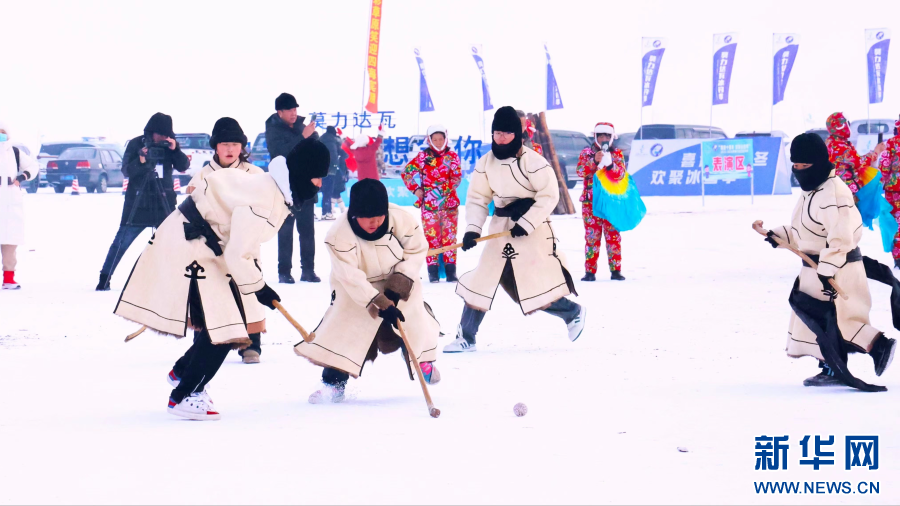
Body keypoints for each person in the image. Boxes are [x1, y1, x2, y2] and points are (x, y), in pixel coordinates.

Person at [114, 136, 329, 420]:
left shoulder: (271, 188)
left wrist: (255, 283)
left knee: (224, 321)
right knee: (227, 328)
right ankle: (185, 395)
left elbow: (239, 244)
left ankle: (181, 373)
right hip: (192, 247)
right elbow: (238, 254)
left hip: (200, 243)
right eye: (317, 177)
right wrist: (259, 288)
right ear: (302, 174)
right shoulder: (265, 203)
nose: (319, 185)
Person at [756, 133, 896, 390]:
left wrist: (828, 268)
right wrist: (779, 235)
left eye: (804, 167)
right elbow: (806, 231)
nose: (799, 172)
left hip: (836, 269)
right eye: (795, 167)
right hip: (816, 268)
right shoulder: (812, 191)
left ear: (818, 163)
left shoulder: (833, 194)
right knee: (823, 319)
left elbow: (843, 235)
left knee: (832, 320)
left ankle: (856, 356)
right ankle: (867, 351)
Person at [444, 106, 586, 353]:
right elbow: (477, 198)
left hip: (532, 229)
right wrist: (472, 230)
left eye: (506, 133)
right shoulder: (485, 163)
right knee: (482, 279)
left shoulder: (534, 162)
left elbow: (549, 196)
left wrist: (527, 221)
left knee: (532, 284)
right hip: (501, 227)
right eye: (497, 132)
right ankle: (467, 336)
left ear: (517, 134)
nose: (501, 137)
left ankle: (572, 312)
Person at [294, 179, 441, 403]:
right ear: (354, 214)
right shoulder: (337, 235)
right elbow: (350, 276)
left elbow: (416, 250)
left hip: (399, 279)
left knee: (413, 321)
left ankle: (423, 361)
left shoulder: (401, 218)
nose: (374, 222)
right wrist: (380, 302)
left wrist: (396, 289)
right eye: (367, 217)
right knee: (345, 330)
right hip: (358, 289)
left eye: (379, 216)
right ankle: (333, 384)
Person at [184, 117, 268, 365]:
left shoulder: (256, 175)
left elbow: (265, 211)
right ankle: (202, 344)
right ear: (215, 147)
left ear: (242, 147)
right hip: (209, 248)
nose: (230, 149)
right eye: (224, 144)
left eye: (235, 144)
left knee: (248, 290)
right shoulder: (201, 177)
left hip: (244, 246)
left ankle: (251, 344)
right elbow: (190, 213)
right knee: (209, 294)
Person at [96, 113, 188, 291]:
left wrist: (175, 150)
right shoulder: (136, 144)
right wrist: (141, 160)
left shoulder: (170, 144)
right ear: (151, 132)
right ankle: (104, 278)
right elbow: (127, 171)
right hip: (138, 202)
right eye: (160, 134)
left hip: (164, 202)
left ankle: (177, 281)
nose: (162, 138)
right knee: (121, 242)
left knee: (172, 242)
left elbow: (183, 166)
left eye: (166, 135)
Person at [266, 92, 321, 283]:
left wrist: (312, 136)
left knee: (307, 231)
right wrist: (302, 137)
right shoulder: (273, 130)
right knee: (285, 231)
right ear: (279, 112)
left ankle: (308, 270)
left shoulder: (301, 127)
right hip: (285, 188)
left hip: (305, 186)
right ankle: (284, 272)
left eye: (295, 109)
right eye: (289, 109)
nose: (293, 113)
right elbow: (280, 153)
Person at [401, 125, 462, 283]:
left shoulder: (452, 156)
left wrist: (438, 192)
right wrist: (416, 190)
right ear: (429, 140)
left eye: (441, 139)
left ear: (446, 138)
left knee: (450, 239)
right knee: (431, 239)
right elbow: (406, 172)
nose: (438, 142)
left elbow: (456, 178)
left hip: (449, 205)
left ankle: (451, 271)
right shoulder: (422, 157)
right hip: (429, 207)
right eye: (435, 139)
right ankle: (433, 272)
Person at [576, 122, 626, 281]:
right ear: (595, 136)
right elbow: (580, 171)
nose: (604, 139)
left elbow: (621, 175)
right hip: (590, 204)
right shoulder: (586, 153)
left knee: (613, 237)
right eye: (601, 135)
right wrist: (594, 162)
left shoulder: (617, 153)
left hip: (611, 203)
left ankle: (616, 270)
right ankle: (590, 272)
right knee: (592, 238)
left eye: (607, 136)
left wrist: (610, 164)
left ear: (612, 137)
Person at [0, 121, 39, 290]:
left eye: (2, 132)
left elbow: (33, 166)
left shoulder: (14, 152)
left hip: (10, 202)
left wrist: (21, 178)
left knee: (9, 243)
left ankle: (9, 279)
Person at [825, 112, 885, 195]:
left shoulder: (831, 142)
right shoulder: (838, 146)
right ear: (840, 126)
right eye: (847, 123)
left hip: (836, 186)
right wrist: (876, 151)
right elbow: (859, 162)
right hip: (845, 188)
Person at [879, 116, 900, 269]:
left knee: (895, 224)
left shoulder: (892, 144)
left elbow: (884, 166)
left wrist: (879, 183)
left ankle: (898, 258)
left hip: (894, 190)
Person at [318, 126, 347, 220]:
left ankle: (325, 212)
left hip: (321, 170)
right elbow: (335, 156)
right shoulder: (332, 141)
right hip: (330, 170)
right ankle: (327, 213)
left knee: (325, 192)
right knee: (328, 192)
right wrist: (336, 166)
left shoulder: (322, 139)